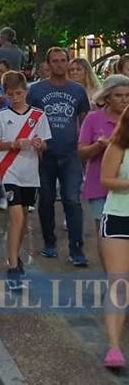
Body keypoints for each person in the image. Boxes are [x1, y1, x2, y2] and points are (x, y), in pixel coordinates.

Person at [27, 47, 91, 266]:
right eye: (54, 61)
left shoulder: (78, 91)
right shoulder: (36, 91)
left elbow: (84, 122)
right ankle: (49, 243)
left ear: (68, 62)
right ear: (48, 64)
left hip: (71, 153)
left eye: (63, 60)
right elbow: (30, 120)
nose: (59, 65)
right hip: (45, 154)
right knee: (45, 200)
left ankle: (76, 248)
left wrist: (85, 149)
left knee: (72, 200)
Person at [0, 71, 52, 291]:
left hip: (30, 172)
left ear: (25, 92)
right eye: (11, 94)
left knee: (23, 219)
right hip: (9, 170)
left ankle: (15, 256)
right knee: (16, 216)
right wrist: (15, 144)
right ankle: (13, 265)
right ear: (6, 94)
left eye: (19, 93)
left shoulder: (38, 116)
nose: (16, 97)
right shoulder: (1, 116)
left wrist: (38, 144)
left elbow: (45, 143)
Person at [78, 75, 129, 254]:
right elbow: (81, 153)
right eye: (119, 95)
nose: (124, 100)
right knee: (106, 236)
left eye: (128, 95)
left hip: (126, 187)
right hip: (99, 184)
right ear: (107, 97)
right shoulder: (93, 119)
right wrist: (99, 146)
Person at [99, 105, 129, 369]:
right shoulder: (119, 146)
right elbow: (106, 179)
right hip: (119, 217)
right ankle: (114, 346)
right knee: (119, 283)